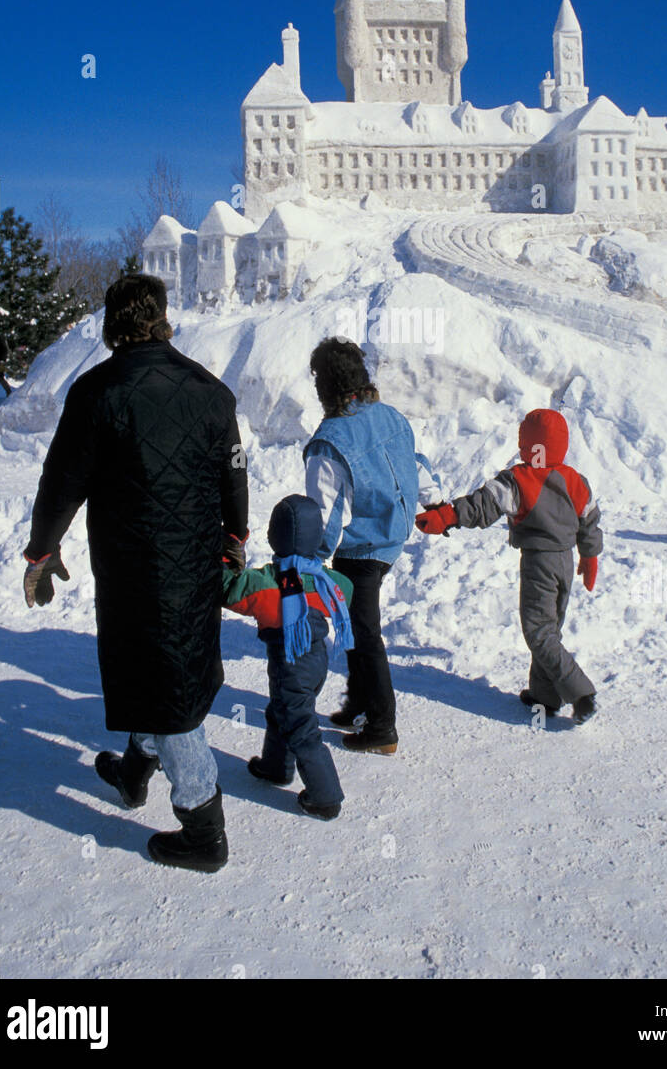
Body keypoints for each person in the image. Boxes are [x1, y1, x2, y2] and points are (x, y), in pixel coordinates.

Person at [22, 273, 249, 872]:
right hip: (196, 565)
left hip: (133, 568)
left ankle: (203, 828)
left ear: (113, 322)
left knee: (168, 691)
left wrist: (41, 550)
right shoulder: (210, 390)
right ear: (163, 317)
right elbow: (234, 473)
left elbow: (61, 482)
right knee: (170, 670)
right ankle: (131, 774)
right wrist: (235, 538)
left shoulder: (96, 391)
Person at [416, 408, 602, 724]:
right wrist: (590, 555)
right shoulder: (576, 480)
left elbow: (481, 506)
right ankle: (544, 697)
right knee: (549, 628)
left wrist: (446, 516)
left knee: (539, 631)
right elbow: (590, 520)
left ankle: (581, 693)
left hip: (539, 562)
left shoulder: (518, 480)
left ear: (529, 443)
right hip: (566, 563)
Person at [303, 337, 439, 756]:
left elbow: (325, 511)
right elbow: (414, 464)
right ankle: (358, 704)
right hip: (390, 538)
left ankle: (382, 726)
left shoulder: (330, 440)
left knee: (364, 631)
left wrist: (311, 558)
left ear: (325, 384)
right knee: (355, 624)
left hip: (358, 547)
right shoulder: (392, 417)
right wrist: (433, 500)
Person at [223, 494, 353, 820]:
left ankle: (326, 797)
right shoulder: (323, 579)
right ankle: (274, 767)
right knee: (281, 710)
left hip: (290, 661)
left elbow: (229, 591)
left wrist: (223, 562)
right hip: (318, 661)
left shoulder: (268, 583)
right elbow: (347, 590)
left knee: (300, 727)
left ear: (274, 536)